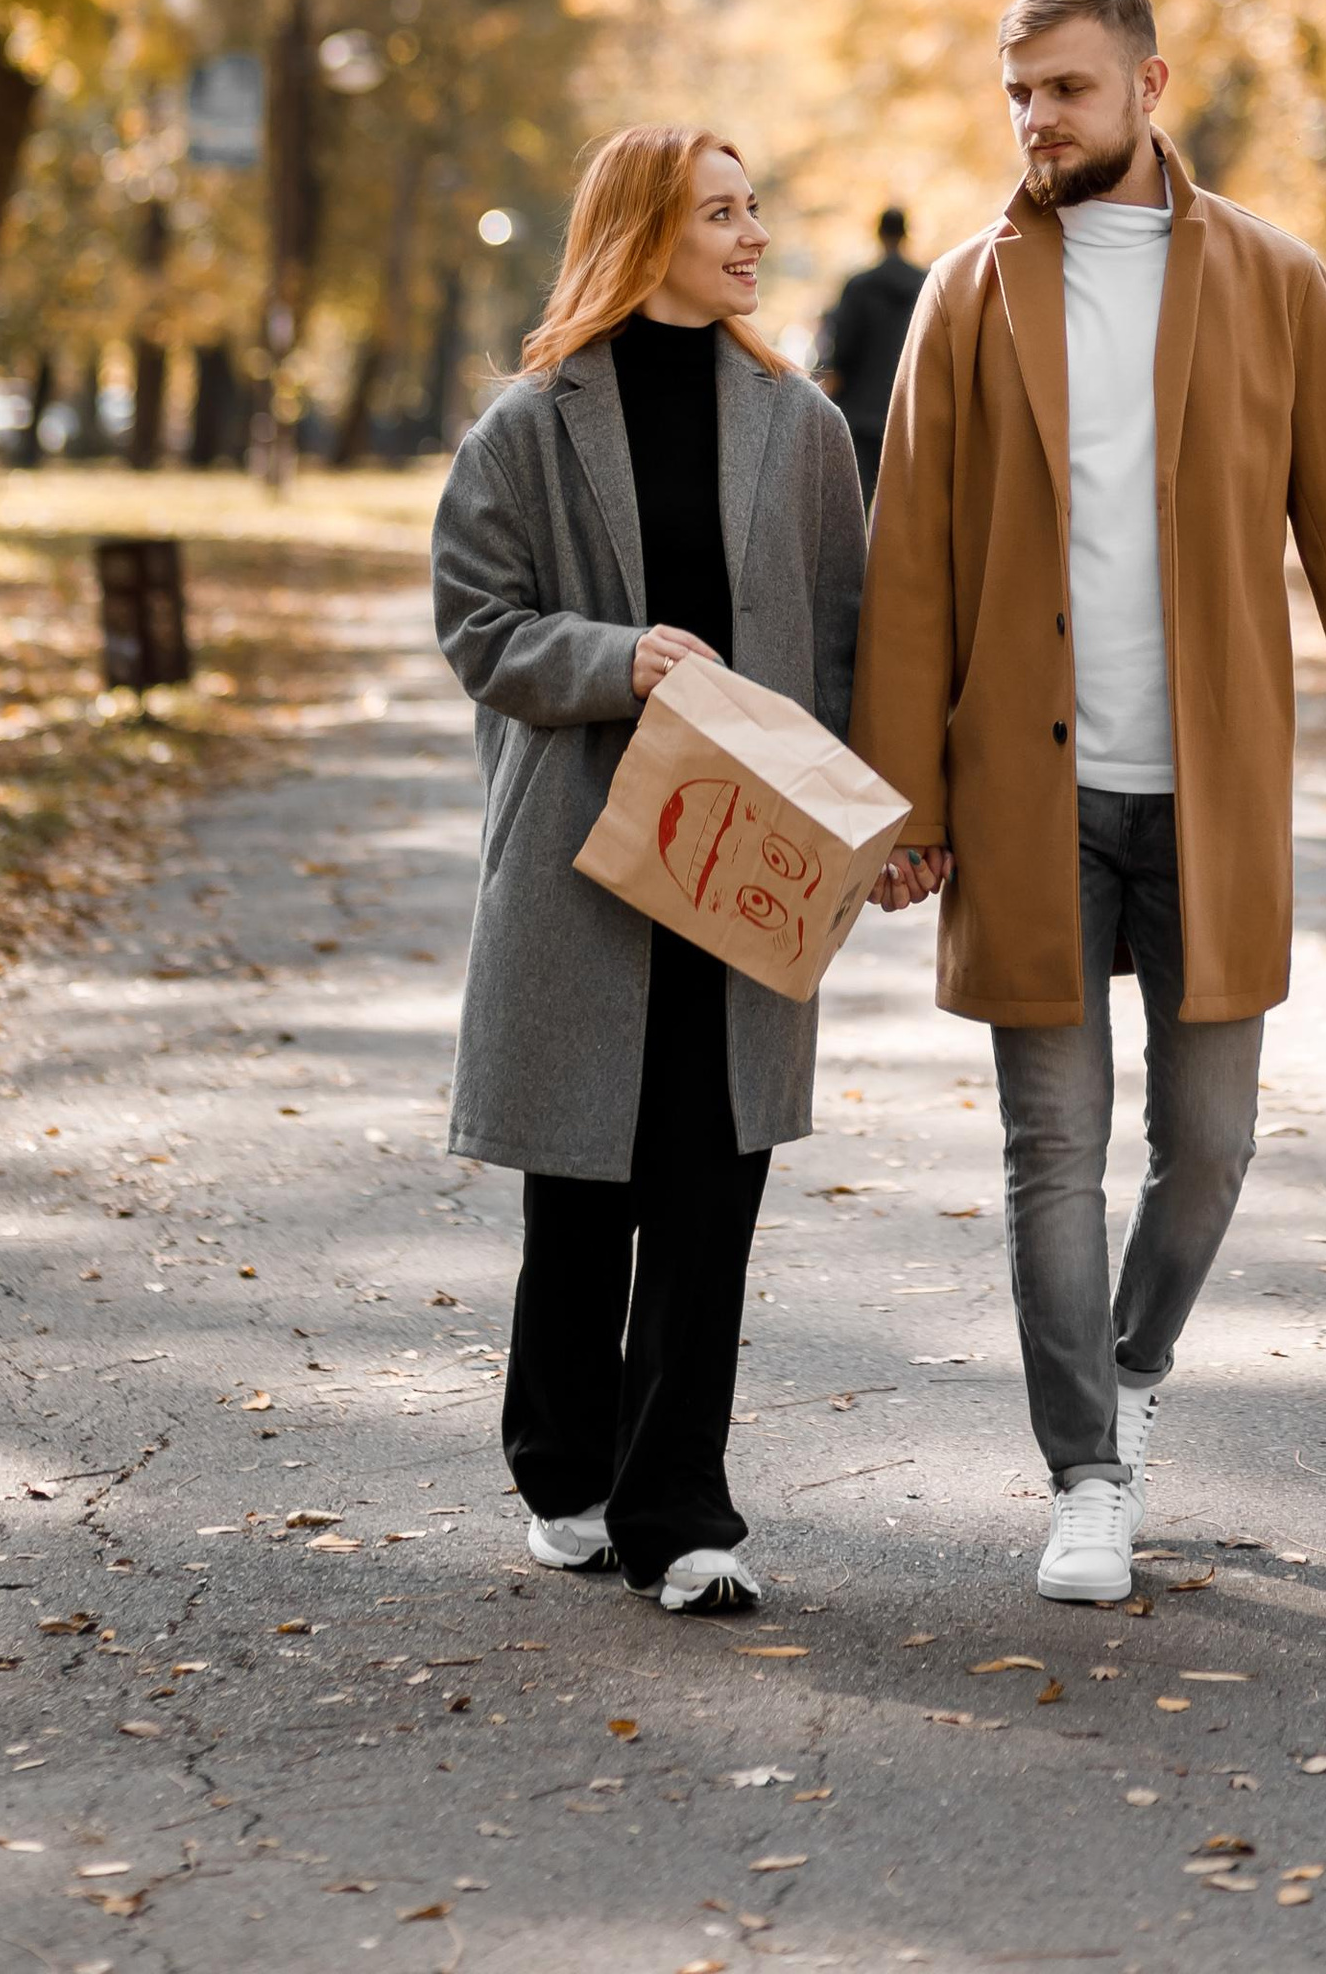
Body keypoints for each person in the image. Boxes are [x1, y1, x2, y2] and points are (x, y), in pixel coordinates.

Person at [852, 0, 1326, 1607]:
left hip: (1212, 797)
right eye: (1019, 93)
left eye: (1068, 88)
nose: (1039, 120)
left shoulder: (1275, 284)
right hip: (1028, 803)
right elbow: (910, 565)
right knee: (1054, 1151)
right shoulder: (965, 298)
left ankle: (1131, 1363)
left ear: (1149, 86)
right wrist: (909, 807)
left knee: (1210, 1150)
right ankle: (1085, 1477)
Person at [431, 125, 866, 1613]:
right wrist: (619, 659)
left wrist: (878, 825)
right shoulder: (532, 427)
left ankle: (682, 1512)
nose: (751, 236)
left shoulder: (802, 427)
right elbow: (478, 629)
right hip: (583, 861)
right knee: (584, 1179)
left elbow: (851, 636)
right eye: (721, 213)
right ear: (643, 232)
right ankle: (564, 1467)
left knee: (710, 1179)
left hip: (747, 860)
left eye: (755, 211)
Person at [814, 205, 926, 502]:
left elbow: (843, 345)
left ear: (879, 234)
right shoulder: (926, 284)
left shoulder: (859, 286)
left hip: (861, 410)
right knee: (905, 507)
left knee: (857, 502)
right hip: (910, 413)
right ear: (905, 234)